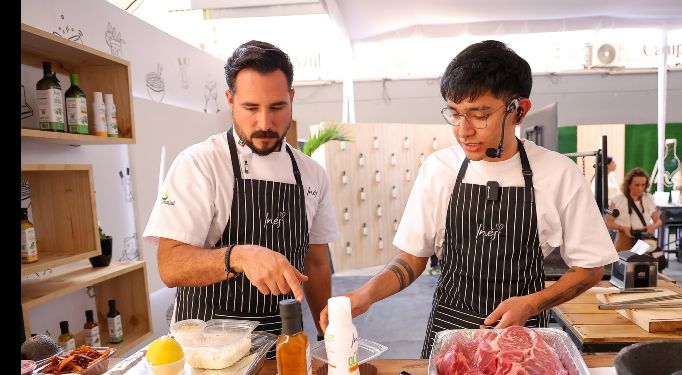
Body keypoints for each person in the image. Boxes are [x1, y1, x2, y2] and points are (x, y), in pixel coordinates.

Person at [319, 40, 617, 358]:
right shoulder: (439, 169)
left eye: (479, 115)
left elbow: (591, 267)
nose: (464, 131)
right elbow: (412, 258)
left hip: (522, 336)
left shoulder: (558, 173)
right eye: (456, 114)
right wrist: (365, 295)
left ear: (519, 111)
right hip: (449, 332)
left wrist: (532, 303)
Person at [143, 40, 339, 356]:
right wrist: (239, 256)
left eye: (277, 107)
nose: (264, 123)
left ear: (291, 98)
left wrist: (327, 336)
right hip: (207, 350)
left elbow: (316, 263)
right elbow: (170, 266)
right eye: (250, 108)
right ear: (230, 100)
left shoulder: (311, 174)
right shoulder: (200, 164)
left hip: (284, 345)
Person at [605, 167, 662, 252]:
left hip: (644, 238)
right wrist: (622, 228)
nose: (640, 188)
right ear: (629, 184)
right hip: (624, 237)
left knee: (645, 264)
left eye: (643, 185)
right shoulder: (618, 199)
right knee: (623, 264)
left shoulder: (648, 198)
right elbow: (608, 222)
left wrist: (653, 227)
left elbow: (658, 220)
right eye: (637, 185)